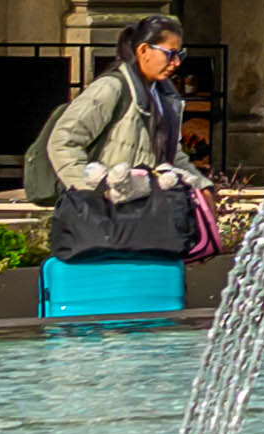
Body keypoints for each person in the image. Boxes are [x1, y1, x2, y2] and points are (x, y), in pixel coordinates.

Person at [36, 17, 199, 264]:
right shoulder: (110, 88)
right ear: (143, 50)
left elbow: (172, 154)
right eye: (170, 54)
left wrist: (201, 187)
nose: (176, 63)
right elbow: (62, 142)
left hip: (143, 215)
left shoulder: (165, 97)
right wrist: (96, 191)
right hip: (104, 220)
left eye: (180, 55)